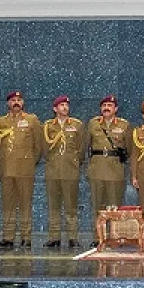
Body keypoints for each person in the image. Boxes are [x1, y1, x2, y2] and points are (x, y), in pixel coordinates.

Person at [0, 90, 41, 249]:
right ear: (8, 103)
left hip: (25, 168)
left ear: (23, 103)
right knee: (7, 204)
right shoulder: (0, 121)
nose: (16, 102)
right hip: (6, 168)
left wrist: (30, 161)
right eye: (13, 100)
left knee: (25, 203)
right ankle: (8, 236)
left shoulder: (31, 120)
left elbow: (38, 146)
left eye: (19, 100)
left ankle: (26, 237)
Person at [43, 95, 86, 248]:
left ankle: (73, 236)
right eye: (61, 105)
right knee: (53, 205)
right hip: (53, 170)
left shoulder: (77, 125)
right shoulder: (48, 126)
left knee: (71, 205)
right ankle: (54, 236)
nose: (65, 108)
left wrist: (74, 162)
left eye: (66, 105)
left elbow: (81, 148)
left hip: (70, 169)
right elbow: (45, 149)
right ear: (55, 109)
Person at [86, 94, 130, 241]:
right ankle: (98, 237)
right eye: (104, 106)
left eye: (110, 106)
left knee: (115, 205)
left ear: (116, 108)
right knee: (97, 205)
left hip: (115, 169)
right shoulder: (93, 124)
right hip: (97, 168)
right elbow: (86, 145)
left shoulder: (124, 125)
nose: (106, 108)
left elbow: (129, 148)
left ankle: (114, 236)